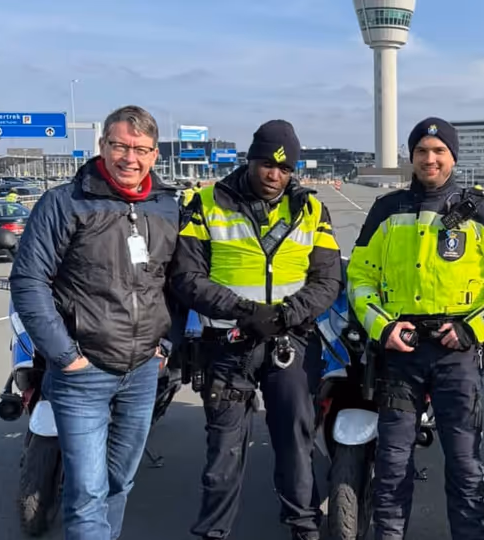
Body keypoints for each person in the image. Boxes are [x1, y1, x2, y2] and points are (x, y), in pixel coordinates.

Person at [348, 117, 484, 540]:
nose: (430, 159)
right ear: (411, 156)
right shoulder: (386, 209)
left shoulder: (481, 208)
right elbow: (359, 277)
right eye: (422, 151)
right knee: (391, 466)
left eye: (439, 151)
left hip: (456, 356)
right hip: (400, 353)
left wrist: (474, 327)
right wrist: (383, 327)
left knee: (465, 464)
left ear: (452, 157)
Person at [9, 105, 178, 539]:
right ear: (102, 145)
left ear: (155, 155)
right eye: (120, 145)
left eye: (141, 149)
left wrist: (166, 345)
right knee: (86, 492)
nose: (130, 158)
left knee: (120, 482)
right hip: (83, 372)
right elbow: (29, 281)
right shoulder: (64, 203)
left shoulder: (166, 209)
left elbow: (176, 284)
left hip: (142, 372)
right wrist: (65, 356)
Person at [172, 120, 341, 540]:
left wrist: (284, 315)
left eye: (284, 169)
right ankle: (213, 531)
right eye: (266, 164)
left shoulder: (313, 210)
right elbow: (185, 276)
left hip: (290, 342)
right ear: (251, 160)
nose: (274, 175)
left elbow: (328, 280)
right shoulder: (205, 203)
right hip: (227, 345)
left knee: (296, 440)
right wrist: (243, 309)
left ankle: (303, 527)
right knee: (224, 448)